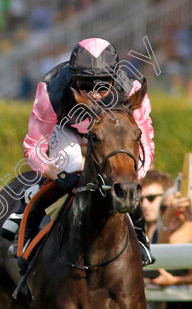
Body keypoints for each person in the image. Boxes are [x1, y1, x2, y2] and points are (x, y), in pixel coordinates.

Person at [13, 37, 156, 272]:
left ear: (113, 80)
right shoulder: (51, 89)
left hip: (111, 133)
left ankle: (142, 238)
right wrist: (56, 175)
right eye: (85, 85)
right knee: (71, 166)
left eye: (101, 85)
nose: (94, 94)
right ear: (72, 77)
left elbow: (145, 138)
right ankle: (26, 231)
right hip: (68, 130)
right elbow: (34, 146)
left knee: (123, 176)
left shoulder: (131, 88)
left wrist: (135, 174)